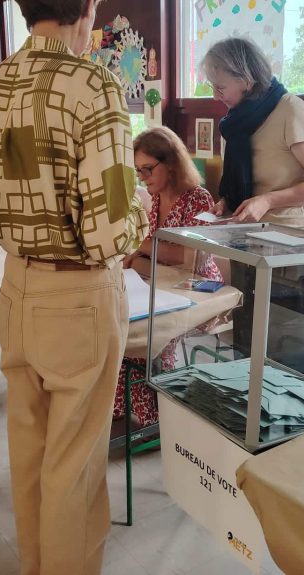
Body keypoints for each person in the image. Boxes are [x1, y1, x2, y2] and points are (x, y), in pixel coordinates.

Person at [0, 0, 148, 575]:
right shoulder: (94, 83)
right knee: (75, 467)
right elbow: (110, 232)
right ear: (88, 1)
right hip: (79, 298)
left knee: (31, 454)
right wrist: (141, 201)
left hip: (16, 289)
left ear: (23, 1)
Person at [201, 37, 304, 364]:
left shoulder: (290, 110)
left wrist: (268, 201)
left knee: (288, 345)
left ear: (246, 79)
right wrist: (228, 202)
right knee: (249, 340)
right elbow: (245, 178)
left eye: (220, 87)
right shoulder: (237, 120)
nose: (215, 96)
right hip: (251, 241)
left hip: (295, 246)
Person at [116, 127, 220, 426]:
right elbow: (155, 250)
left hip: (197, 287)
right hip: (161, 280)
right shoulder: (157, 197)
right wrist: (133, 257)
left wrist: (141, 246)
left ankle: (158, 418)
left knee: (149, 336)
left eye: (147, 169)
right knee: (122, 329)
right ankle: (126, 406)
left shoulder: (198, 199)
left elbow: (191, 258)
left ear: (171, 163)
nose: (142, 178)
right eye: (138, 171)